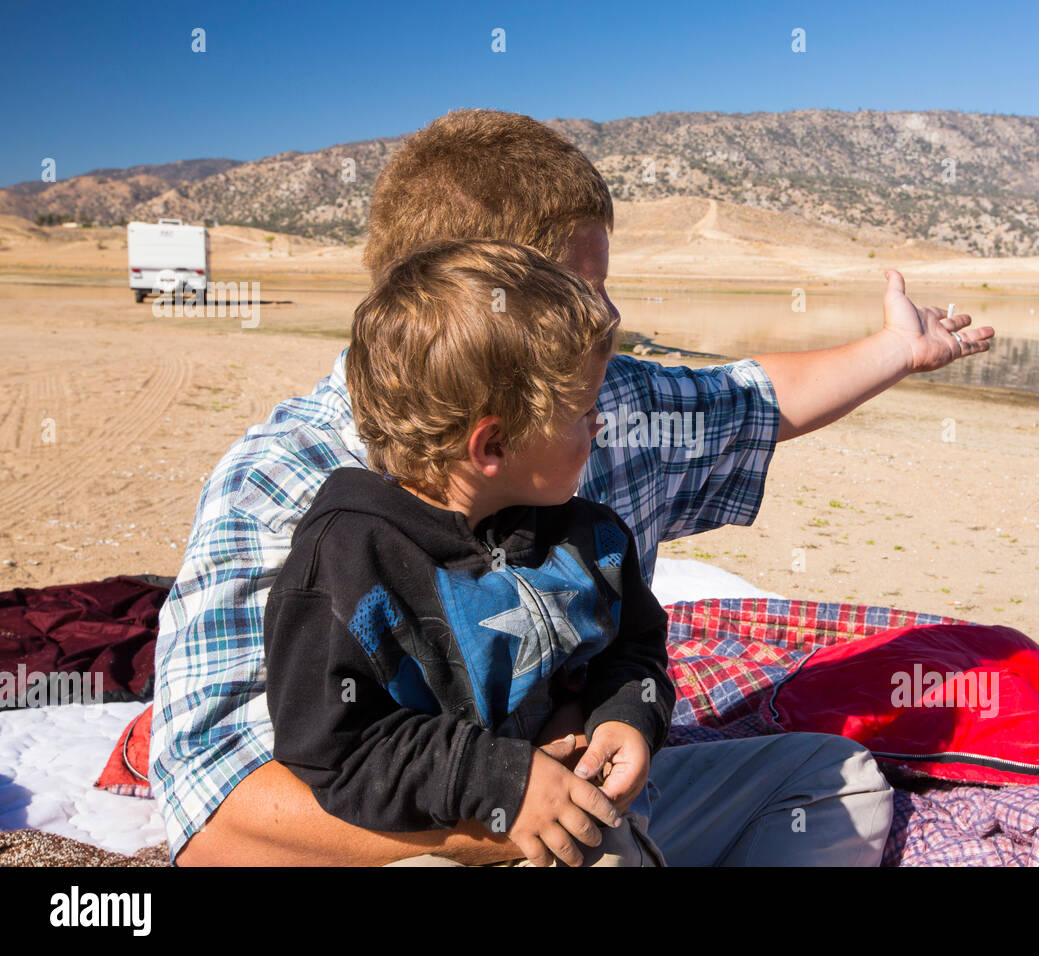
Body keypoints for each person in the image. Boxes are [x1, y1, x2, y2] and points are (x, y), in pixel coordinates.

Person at [151, 109, 992, 866]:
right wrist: (508, 815)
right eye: (585, 291)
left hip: (608, 818)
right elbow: (213, 809)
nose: (611, 316)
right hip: (414, 847)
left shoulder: (601, 404)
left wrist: (896, 352)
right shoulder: (283, 485)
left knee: (833, 781)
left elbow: (748, 401)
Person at [264, 239, 673, 866]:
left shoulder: (593, 538)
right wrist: (506, 780)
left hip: (603, 812)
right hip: (459, 846)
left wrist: (624, 715)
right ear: (494, 444)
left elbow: (633, 649)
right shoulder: (347, 563)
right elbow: (334, 750)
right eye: (585, 410)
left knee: (842, 778)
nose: (599, 426)